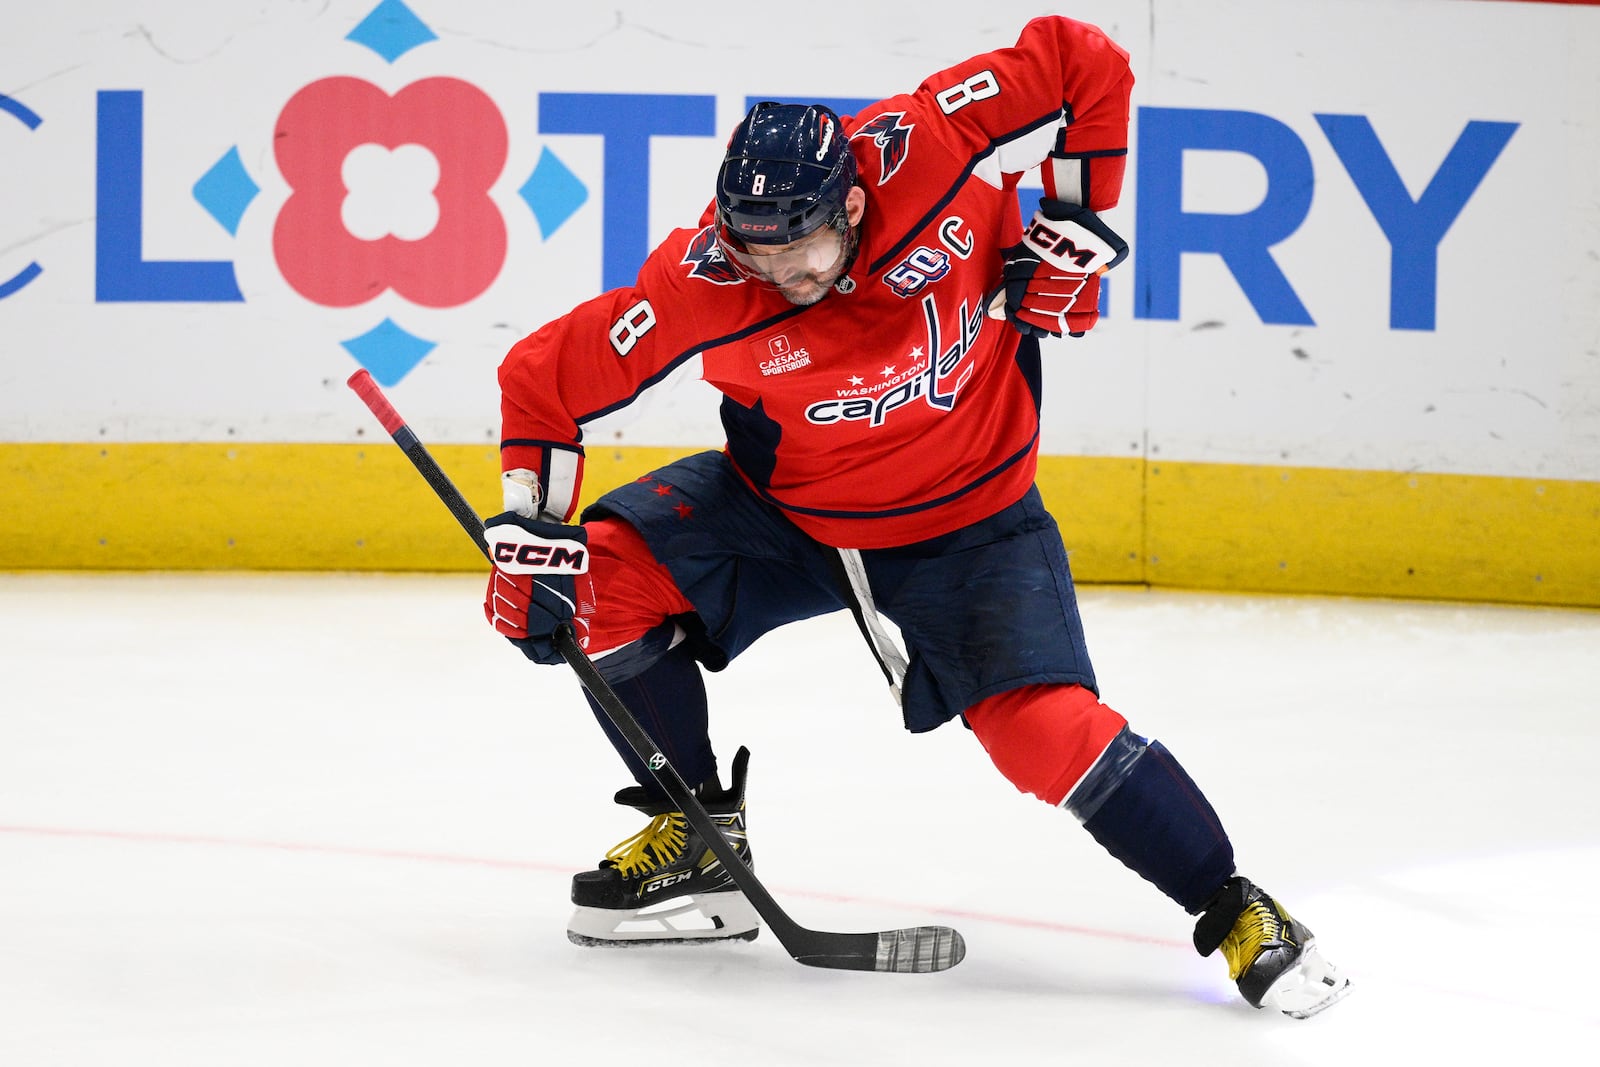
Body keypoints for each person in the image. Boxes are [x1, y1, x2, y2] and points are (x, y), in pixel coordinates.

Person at [481, 15, 1349, 1019]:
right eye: (758, 254)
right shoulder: (708, 280)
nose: (784, 277)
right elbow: (541, 378)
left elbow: (1082, 59)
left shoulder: (925, 145)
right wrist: (532, 537)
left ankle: (1237, 905)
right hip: (788, 515)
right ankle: (699, 839)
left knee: (1045, 733)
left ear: (851, 198)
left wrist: (1078, 219)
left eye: (802, 250)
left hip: (968, 519)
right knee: (602, 578)